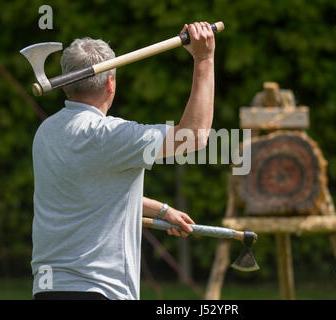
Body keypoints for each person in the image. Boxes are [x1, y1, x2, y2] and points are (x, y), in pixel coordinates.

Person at [31, 22, 215, 300]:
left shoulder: (46, 132)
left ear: (66, 83)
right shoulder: (110, 136)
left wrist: (162, 210)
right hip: (98, 291)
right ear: (110, 83)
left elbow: (90, 190)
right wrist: (204, 59)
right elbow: (195, 136)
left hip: (48, 290)